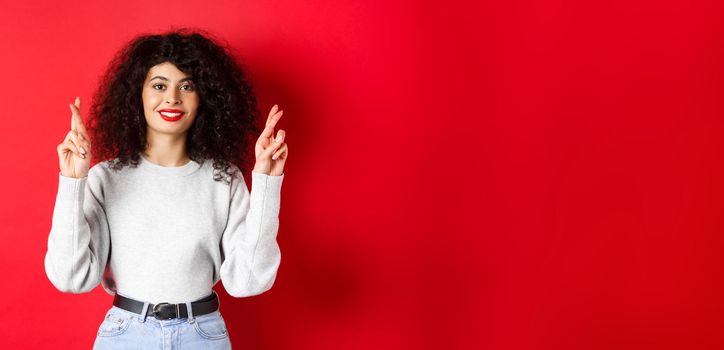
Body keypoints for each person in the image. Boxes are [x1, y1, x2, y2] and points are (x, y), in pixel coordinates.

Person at [44, 29, 289, 349]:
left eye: (186, 86)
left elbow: (248, 282)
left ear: (204, 97)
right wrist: (73, 183)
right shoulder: (105, 178)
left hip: (203, 335)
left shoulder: (223, 179)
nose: (172, 98)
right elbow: (71, 277)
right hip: (127, 334)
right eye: (159, 85)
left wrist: (266, 184)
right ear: (138, 94)